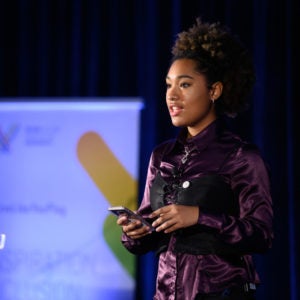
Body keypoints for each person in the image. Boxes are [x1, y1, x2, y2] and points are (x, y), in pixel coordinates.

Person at [116, 18, 273, 300]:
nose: (172, 96)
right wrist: (136, 231)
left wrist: (200, 217)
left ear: (214, 91)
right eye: (168, 86)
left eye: (185, 85)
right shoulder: (162, 155)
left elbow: (261, 234)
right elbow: (148, 232)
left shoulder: (241, 155)